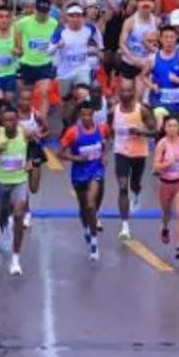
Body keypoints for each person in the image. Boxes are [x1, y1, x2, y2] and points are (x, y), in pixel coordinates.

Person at [0, 102, 35, 276]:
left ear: (17, 120)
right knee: (3, 213)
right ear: (2, 121)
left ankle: (15, 260)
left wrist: (31, 161)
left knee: (19, 214)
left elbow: (37, 150)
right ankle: (6, 228)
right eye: (6, 121)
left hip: (19, 181)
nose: (9, 124)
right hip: (0, 182)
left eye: (13, 120)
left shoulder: (25, 133)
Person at [57, 84, 108, 261]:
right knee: (83, 207)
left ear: (93, 114)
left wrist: (104, 156)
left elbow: (105, 142)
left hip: (96, 170)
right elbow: (60, 153)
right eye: (83, 115)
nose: (87, 118)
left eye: (89, 115)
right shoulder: (73, 132)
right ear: (79, 116)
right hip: (79, 173)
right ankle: (86, 228)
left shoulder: (101, 128)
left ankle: (94, 241)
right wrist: (76, 159)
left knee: (91, 205)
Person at [110, 82, 154, 242]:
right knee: (122, 187)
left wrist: (141, 131)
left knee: (134, 183)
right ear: (119, 92)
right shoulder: (113, 111)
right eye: (123, 90)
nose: (126, 93)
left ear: (134, 93)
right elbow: (108, 129)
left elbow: (154, 131)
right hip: (121, 152)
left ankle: (136, 193)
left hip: (139, 153)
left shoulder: (141, 110)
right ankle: (125, 226)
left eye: (129, 90)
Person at [152, 110, 179, 260]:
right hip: (166, 184)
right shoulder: (162, 144)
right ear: (164, 128)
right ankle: (165, 227)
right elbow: (155, 167)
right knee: (167, 213)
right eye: (169, 126)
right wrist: (167, 164)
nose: (172, 129)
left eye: (175, 126)